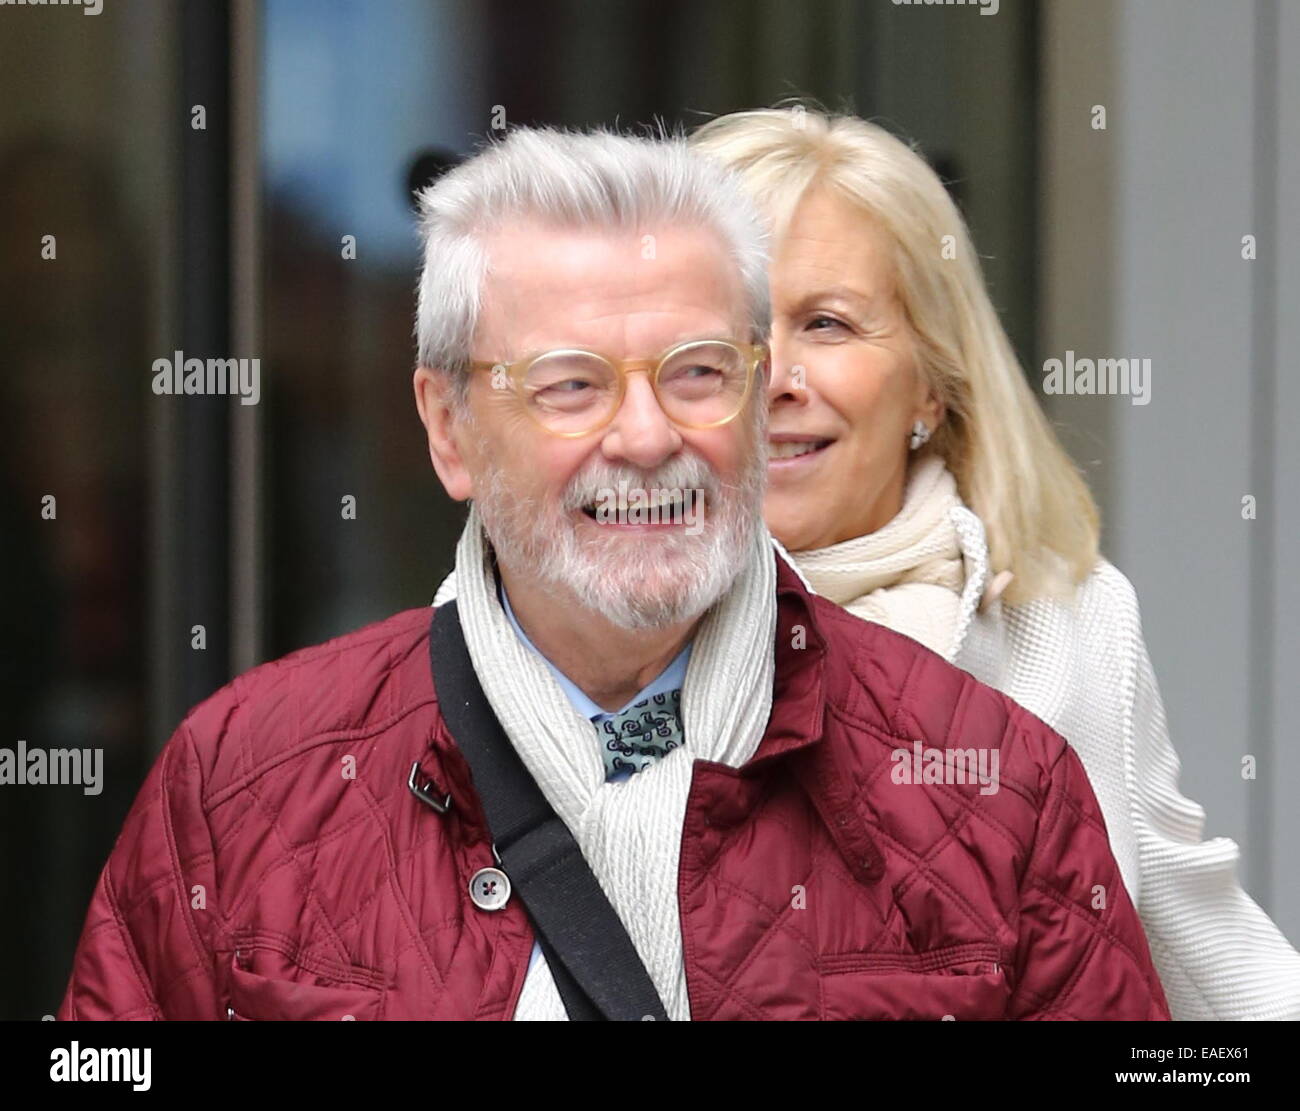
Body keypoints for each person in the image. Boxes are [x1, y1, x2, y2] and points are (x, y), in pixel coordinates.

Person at [58, 126, 1167, 1021]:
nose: (646, 438)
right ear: (448, 428)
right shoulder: (242, 787)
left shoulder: (999, 795)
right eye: (571, 385)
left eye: (695, 373)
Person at [692, 105, 1300, 1020]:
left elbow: (1210, 951)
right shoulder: (578, 634)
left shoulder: (1071, 616)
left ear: (931, 381)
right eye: (726, 333)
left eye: (827, 323)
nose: (774, 375)